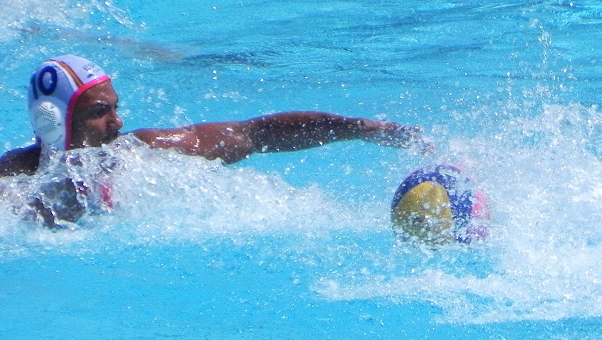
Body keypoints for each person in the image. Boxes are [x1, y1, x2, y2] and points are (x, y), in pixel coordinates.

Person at [1, 54, 426, 224]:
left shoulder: (139, 154)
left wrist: (355, 128)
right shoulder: (12, 184)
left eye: (115, 107)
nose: (118, 122)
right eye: (99, 112)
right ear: (53, 120)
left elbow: (252, 133)